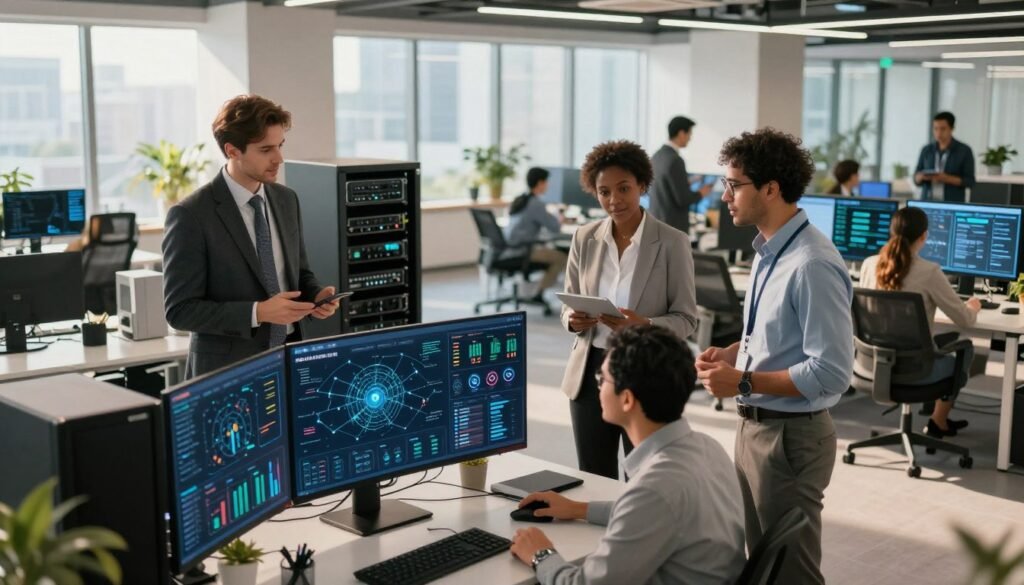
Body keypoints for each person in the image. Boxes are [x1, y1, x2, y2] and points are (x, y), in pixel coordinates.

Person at [696, 128, 853, 585]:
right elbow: (774, 337)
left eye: (734, 184)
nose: (724, 195)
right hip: (755, 426)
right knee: (760, 566)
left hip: (791, 438)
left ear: (770, 188)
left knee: (790, 574)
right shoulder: (768, 251)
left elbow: (830, 372)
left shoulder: (811, 264)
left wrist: (743, 380)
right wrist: (731, 353)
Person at [510, 324, 745, 585]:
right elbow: (650, 515)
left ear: (627, 400)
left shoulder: (656, 488)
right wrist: (578, 509)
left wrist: (540, 554)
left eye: (603, 379)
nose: (598, 387)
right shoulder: (707, 448)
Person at [162, 95, 340, 378]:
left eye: (280, 146)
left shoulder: (286, 199)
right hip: (228, 370)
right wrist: (258, 312)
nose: (278, 158)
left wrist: (316, 294)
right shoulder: (191, 214)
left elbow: (299, 272)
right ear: (233, 150)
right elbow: (180, 311)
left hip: (291, 357)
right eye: (266, 149)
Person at [561, 140, 698, 480]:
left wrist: (645, 325)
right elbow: (568, 301)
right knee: (593, 475)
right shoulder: (584, 237)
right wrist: (573, 320)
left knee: (643, 477)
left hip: (644, 373)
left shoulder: (671, 242)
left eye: (623, 189)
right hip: (590, 369)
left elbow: (687, 319)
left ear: (642, 185)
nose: (614, 200)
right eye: (604, 191)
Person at [859, 206, 980, 437]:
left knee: (942, 340)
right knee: (965, 345)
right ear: (924, 236)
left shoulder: (869, 264)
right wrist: (973, 306)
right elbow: (964, 320)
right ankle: (938, 420)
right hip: (917, 372)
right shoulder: (929, 271)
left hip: (873, 366)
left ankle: (937, 421)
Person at [505, 167, 568, 300]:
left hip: (510, 249)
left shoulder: (521, 199)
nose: (548, 185)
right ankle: (538, 293)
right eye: (546, 182)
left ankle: (536, 290)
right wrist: (560, 215)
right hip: (524, 250)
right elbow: (554, 227)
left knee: (552, 250)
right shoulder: (536, 204)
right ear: (540, 183)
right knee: (562, 258)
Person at [650, 116, 712, 234]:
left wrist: (688, 181)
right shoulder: (675, 160)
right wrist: (702, 192)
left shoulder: (656, 157)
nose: (690, 138)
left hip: (657, 224)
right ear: (681, 133)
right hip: (673, 229)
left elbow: (665, 186)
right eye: (690, 134)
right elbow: (683, 199)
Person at [914, 111, 975, 202]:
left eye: (943, 129)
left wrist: (946, 178)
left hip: (952, 203)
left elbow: (970, 181)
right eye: (935, 129)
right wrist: (920, 177)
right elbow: (916, 178)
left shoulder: (964, 151)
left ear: (952, 129)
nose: (938, 133)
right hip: (927, 202)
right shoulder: (926, 150)